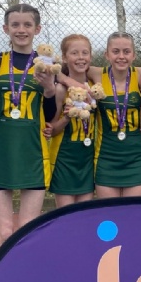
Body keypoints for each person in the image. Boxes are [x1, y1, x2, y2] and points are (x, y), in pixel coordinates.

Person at [0, 4, 57, 252]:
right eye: (15, 25)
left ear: (37, 29)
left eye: (27, 25)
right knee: (4, 231)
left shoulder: (47, 63)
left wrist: (51, 90)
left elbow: (50, 115)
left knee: (27, 230)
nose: (21, 30)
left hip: (33, 152)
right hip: (0, 153)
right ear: (6, 28)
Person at [91, 32, 141, 198]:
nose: (121, 56)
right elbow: (68, 68)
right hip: (106, 158)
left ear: (134, 55)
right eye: (116, 51)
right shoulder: (96, 75)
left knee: (133, 216)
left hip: (136, 158)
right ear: (107, 54)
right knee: (110, 216)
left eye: (126, 51)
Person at [48, 34, 97, 207]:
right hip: (65, 158)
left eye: (85, 53)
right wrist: (67, 118)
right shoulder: (60, 89)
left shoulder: (94, 86)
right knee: (65, 216)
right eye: (74, 53)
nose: (81, 58)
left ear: (90, 57)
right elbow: (51, 130)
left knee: (85, 215)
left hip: (87, 158)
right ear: (64, 57)